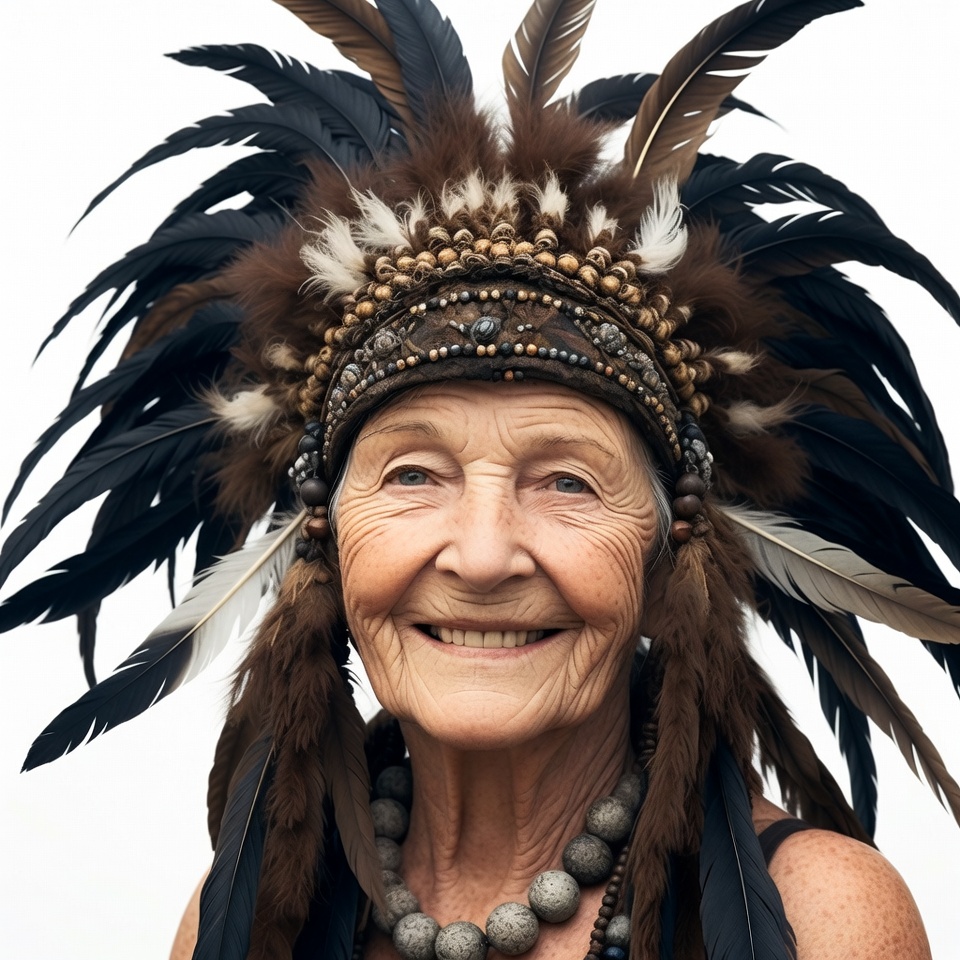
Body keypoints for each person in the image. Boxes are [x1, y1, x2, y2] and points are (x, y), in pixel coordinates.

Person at [3, 2, 960, 959]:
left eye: (568, 484)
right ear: (322, 537)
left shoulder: (824, 920)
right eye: (414, 474)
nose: (485, 553)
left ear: (674, 548)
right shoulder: (246, 917)